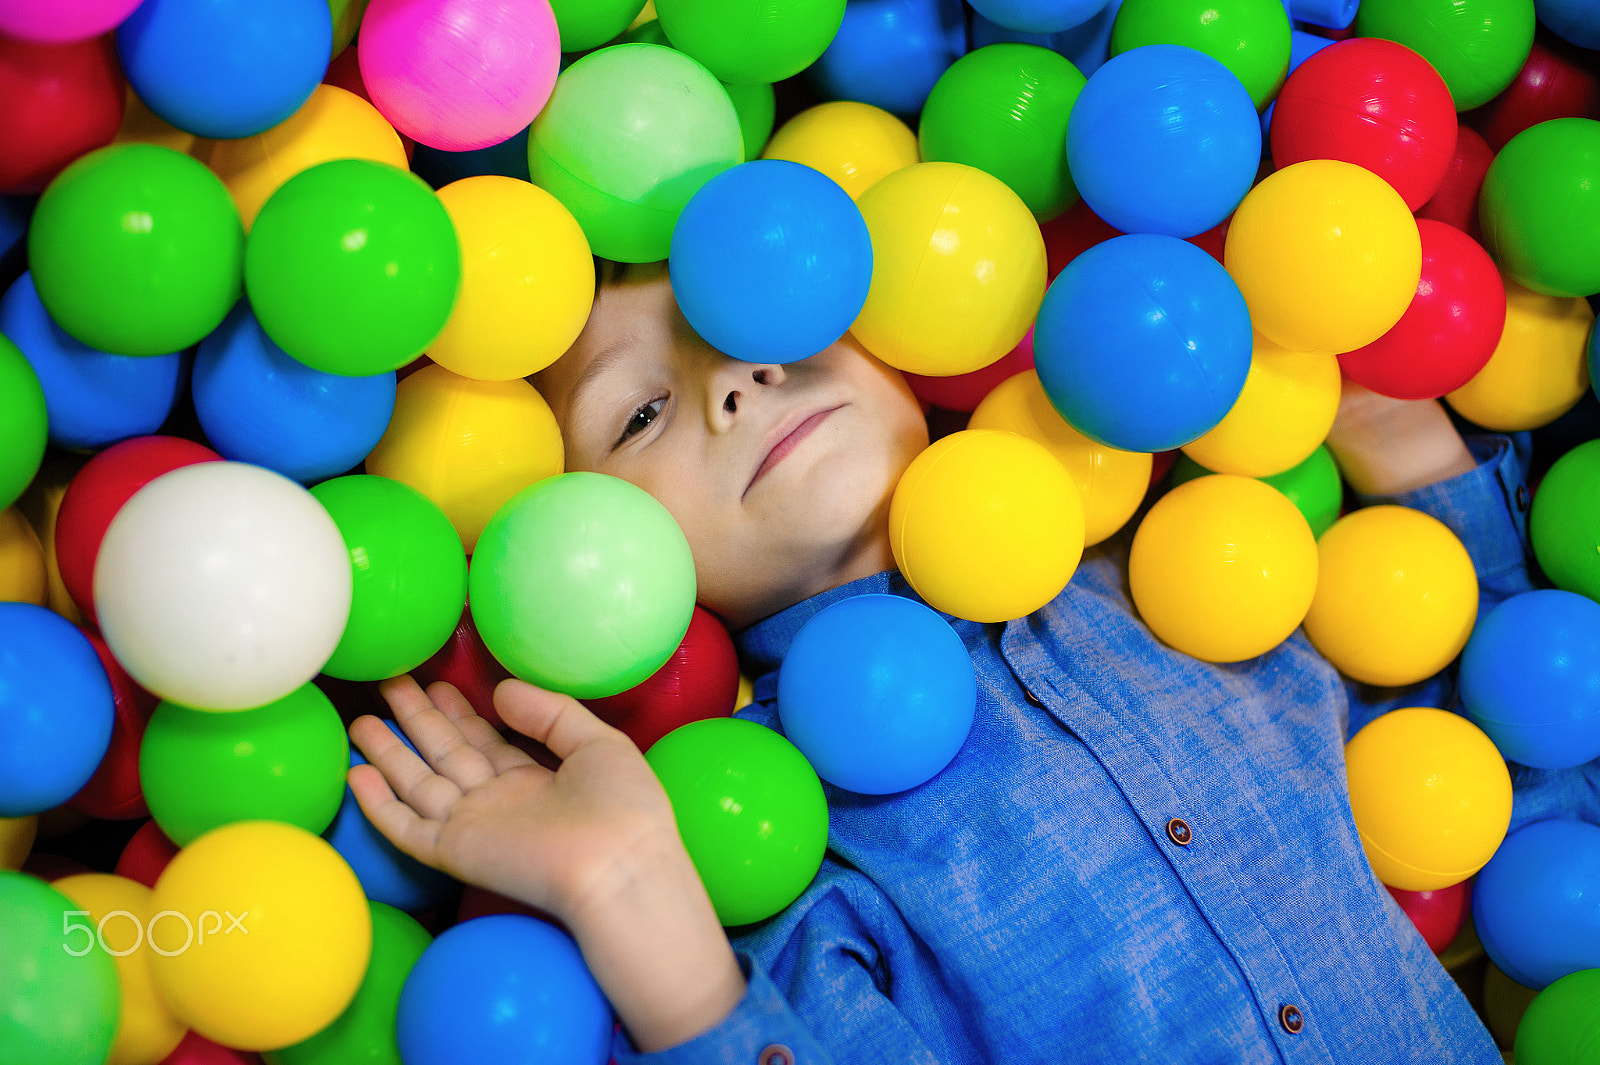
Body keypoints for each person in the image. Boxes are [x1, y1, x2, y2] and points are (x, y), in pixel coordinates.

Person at [347, 261, 1600, 1064]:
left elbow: (1517, 791)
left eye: (764, 303)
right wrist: (635, 897)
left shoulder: (1195, 579)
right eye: (639, 411)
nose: (738, 374)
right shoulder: (780, 837)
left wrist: (1402, 439)